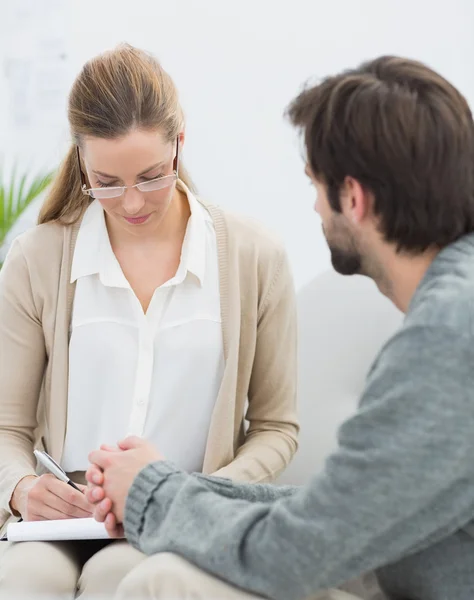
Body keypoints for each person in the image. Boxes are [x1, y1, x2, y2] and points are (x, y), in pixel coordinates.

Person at [86, 55, 474, 600]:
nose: (315, 207)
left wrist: (155, 492)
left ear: (354, 198)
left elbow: (296, 552)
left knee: (163, 582)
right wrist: (165, 486)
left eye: (315, 185)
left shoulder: (446, 339)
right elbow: (339, 514)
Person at [0, 44, 299, 598]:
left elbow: (277, 428)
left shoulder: (256, 255)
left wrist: (194, 494)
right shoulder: (37, 258)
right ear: (81, 159)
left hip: (178, 516)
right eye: (106, 181)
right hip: (63, 521)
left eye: (153, 176)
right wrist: (20, 489)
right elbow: (6, 427)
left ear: (180, 143)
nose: (132, 202)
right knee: (21, 581)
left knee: (122, 577)